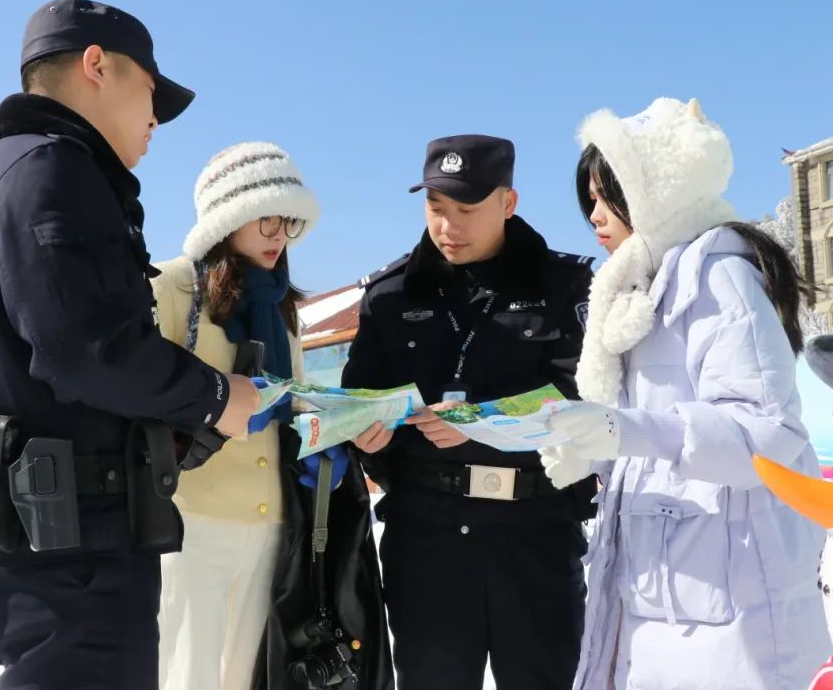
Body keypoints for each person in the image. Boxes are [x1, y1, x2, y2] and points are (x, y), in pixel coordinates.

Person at [0, 0, 260, 689]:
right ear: (96, 65)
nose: (155, 120)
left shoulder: (14, 170)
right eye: (150, 92)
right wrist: (218, 396)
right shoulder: (54, 172)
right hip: (72, 554)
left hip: (50, 543)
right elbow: (88, 350)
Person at [540, 97, 830, 689]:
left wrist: (622, 430)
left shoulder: (718, 277)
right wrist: (592, 449)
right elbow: (656, 441)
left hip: (730, 612)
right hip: (665, 601)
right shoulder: (643, 293)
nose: (594, 215)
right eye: (589, 199)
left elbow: (766, 435)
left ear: (658, 189)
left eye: (608, 195)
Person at [341, 135, 596, 689]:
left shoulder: (566, 286)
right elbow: (358, 398)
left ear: (508, 203)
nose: (448, 226)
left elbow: (582, 402)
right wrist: (367, 436)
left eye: (466, 209)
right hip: (426, 540)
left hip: (535, 534)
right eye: (436, 208)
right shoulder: (389, 295)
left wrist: (479, 427)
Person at [153, 141, 320, 689]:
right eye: (266, 218)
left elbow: (295, 403)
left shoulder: (283, 309)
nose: (279, 235)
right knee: (188, 673)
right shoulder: (173, 288)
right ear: (228, 216)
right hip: (191, 520)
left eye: (289, 222)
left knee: (246, 676)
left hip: (269, 522)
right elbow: (140, 393)